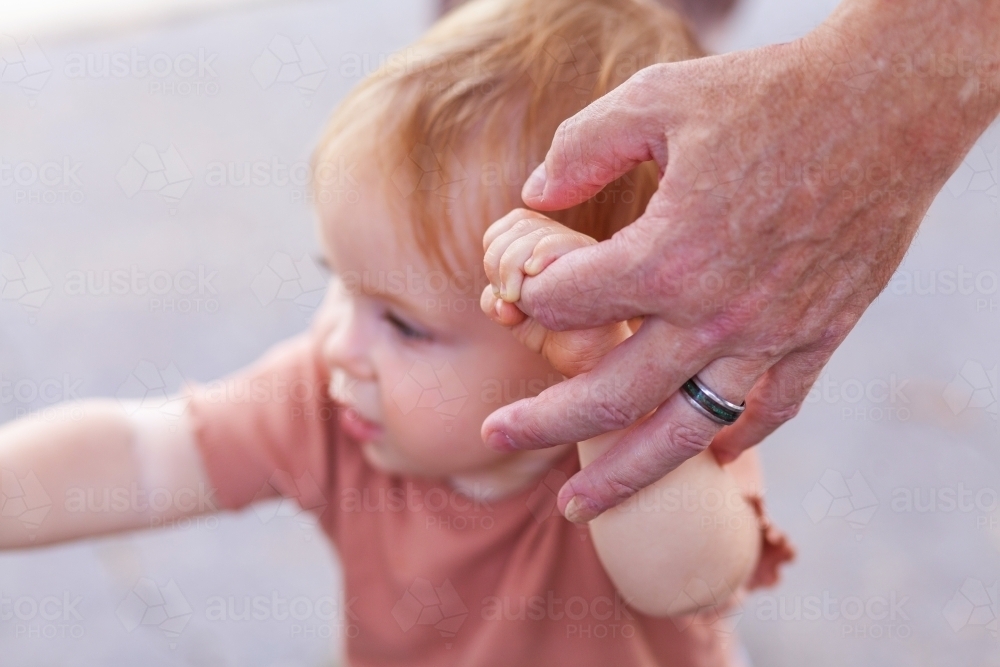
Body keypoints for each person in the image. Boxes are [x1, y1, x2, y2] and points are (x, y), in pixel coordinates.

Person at [0, 0, 793, 664]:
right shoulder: (328, 395)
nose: (341, 344)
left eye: (403, 325)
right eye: (340, 284)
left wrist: (609, 392)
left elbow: (688, 581)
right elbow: (142, 459)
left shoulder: (666, 418)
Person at [479, 0, 1000, 524]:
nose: (388, 370)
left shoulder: (672, 435)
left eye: (409, 328)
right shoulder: (398, 460)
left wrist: (599, 367)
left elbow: (683, 570)